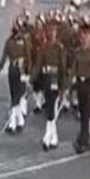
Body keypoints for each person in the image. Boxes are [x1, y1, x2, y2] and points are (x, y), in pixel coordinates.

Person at [0, 17, 32, 134]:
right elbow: (4, 57)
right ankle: (19, 120)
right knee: (14, 96)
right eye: (15, 28)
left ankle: (12, 123)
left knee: (17, 97)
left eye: (17, 28)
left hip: (21, 70)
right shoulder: (9, 41)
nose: (16, 31)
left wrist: (27, 73)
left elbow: (28, 57)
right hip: (12, 71)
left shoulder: (24, 41)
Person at [32, 23, 66, 151]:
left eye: (54, 32)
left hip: (55, 80)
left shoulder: (60, 48)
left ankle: (47, 136)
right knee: (50, 109)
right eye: (50, 32)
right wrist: (32, 78)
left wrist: (64, 86)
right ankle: (53, 137)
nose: (52, 34)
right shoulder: (44, 48)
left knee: (52, 109)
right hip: (47, 80)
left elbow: (62, 67)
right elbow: (39, 65)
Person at [71, 22, 90, 154]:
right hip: (80, 85)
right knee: (82, 113)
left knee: (87, 115)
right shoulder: (77, 52)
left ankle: (84, 141)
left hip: (89, 85)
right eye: (82, 36)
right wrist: (69, 86)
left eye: (86, 36)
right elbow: (73, 69)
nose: (83, 39)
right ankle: (83, 140)